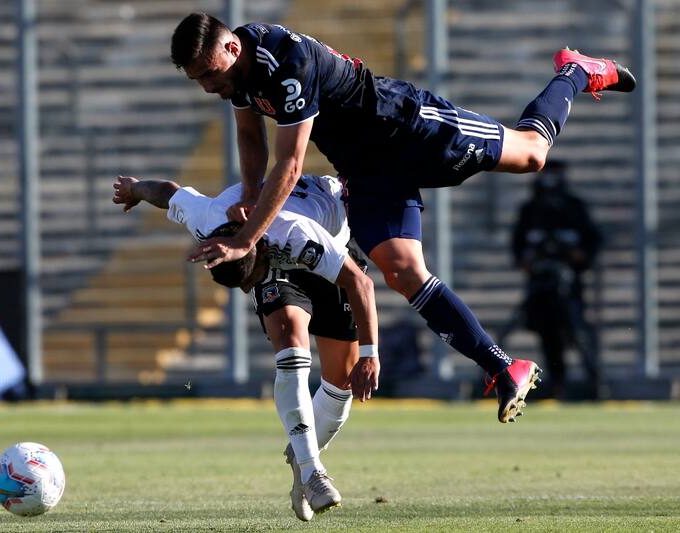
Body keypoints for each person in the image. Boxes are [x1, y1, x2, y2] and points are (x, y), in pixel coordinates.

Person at [169, 13, 636, 422]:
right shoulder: (239, 71)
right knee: (402, 270)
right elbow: (251, 138)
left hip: (410, 128)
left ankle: (576, 71)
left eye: (209, 74)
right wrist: (249, 194)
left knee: (532, 154)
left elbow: (289, 167)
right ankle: (503, 367)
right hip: (366, 171)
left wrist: (247, 237)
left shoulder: (288, 64)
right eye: (199, 81)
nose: (209, 86)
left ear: (232, 48)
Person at [112, 173, 380, 519]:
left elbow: (360, 283)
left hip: (331, 246)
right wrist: (135, 189)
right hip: (274, 264)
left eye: (249, 282)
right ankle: (313, 470)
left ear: (261, 250)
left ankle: (302, 462)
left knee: (341, 382)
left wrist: (370, 355)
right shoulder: (206, 222)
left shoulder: (297, 235)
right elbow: (167, 192)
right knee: (290, 342)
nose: (245, 291)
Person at [510, 161, 602, 398]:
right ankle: (556, 382)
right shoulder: (530, 209)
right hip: (540, 285)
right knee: (547, 333)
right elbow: (518, 246)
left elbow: (591, 242)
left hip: (569, 284)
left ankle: (594, 382)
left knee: (575, 330)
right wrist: (531, 257)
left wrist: (574, 254)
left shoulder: (574, 207)